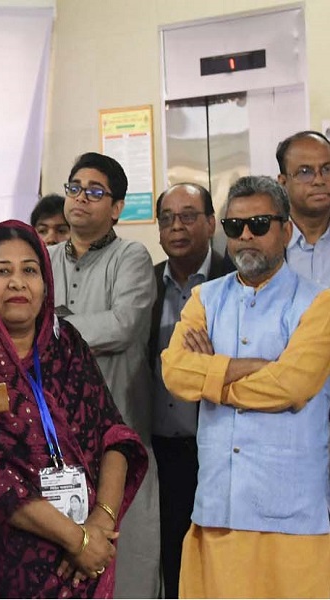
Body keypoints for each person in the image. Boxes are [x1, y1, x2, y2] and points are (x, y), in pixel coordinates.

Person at [0, 220, 147, 599]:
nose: (18, 283)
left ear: (45, 282)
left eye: (30, 270)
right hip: (15, 566)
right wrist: (75, 539)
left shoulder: (67, 345)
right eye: (2, 271)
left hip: (89, 560)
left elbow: (114, 436)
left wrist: (99, 525)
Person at [161, 175, 330, 598]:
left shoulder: (318, 304)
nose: (246, 236)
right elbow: (175, 373)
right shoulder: (204, 299)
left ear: (286, 230)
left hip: (292, 517)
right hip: (217, 510)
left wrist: (211, 377)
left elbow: (290, 386)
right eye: (235, 227)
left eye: (259, 224)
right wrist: (253, 368)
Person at [49, 151, 159, 598]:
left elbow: (123, 325)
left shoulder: (132, 256)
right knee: (64, 563)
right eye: (74, 188)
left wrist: (53, 326)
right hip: (58, 439)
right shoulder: (43, 259)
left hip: (122, 435)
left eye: (95, 192)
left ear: (116, 208)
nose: (81, 198)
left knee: (129, 563)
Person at [147, 182, 233, 598]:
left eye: (187, 216)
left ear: (212, 223)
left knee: (220, 561)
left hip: (217, 447)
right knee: (171, 559)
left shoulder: (233, 280)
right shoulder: (148, 284)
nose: (176, 227)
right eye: (167, 219)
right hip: (161, 451)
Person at [275, 130, 330, 286]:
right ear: (283, 182)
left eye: (327, 169)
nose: (319, 180)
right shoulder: (263, 238)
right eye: (305, 172)